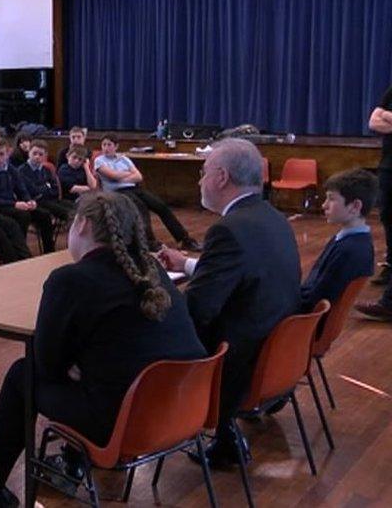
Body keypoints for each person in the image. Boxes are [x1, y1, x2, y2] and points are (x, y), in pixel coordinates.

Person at [0, 191, 205, 506]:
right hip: (182, 411)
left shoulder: (70, 280)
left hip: (122, 424)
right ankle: (72, 465)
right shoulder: (153, 273)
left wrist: (73, 365)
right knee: (96, 365)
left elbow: (47, 367)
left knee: (24, 375)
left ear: (83, 224)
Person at [158, 138, 301, 467]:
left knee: (132, 338)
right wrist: (190, 265)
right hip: (273, 351)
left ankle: (115, 439)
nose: (200, 180)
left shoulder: (229, 230)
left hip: (236, 362)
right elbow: (250, 274)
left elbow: (198, 310)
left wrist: (151, 291)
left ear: (221, 177)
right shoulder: (272, 217)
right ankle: (226, 438)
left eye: (203, 172)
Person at [94, 134, 201, 252]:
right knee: (141, 208)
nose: (106, 148)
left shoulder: (124, 159)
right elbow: (113, 176)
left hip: (133, 188)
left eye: (109, 145)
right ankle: (150, 242)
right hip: (116, 192)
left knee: (160, 206)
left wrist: (120, 177)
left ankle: (184, 239)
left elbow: (139, 177)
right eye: (104, 145)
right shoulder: (99, 161)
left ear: (116, 146)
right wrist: (128, 175)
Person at [297, 169, 374, 313]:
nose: (324, 205)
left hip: (306, 321)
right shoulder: (354, 241)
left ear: (355, 206)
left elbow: (316, 298)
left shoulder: (349, 250)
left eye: (331, 199)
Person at [0, 136, 55, 254]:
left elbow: (21, 189)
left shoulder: (12, 170)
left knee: (44, 215)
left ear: (7, 154)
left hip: (11, 204)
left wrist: (29, 200)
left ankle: (49, 252)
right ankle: (20, 252)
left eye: (1, 154)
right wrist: (15, 204)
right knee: (22, 216)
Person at [19, 140, 76, 225]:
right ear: (29, 153)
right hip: (36, 202)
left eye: (41, 154)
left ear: (45, 156)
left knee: (77, 208)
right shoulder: (22, 170)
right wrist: (46, 187)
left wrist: (44, 188)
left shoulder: (46, 170)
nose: (37, 157)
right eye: (34, 153)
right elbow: (33, 191)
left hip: (51, 199)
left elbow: (55, 190)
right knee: (68, 213)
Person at [370, 84, 392, 285]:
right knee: (386, 216)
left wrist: (387, 116)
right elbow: (373, 122)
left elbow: (381, 118)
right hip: (388, 165)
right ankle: (390, 266)